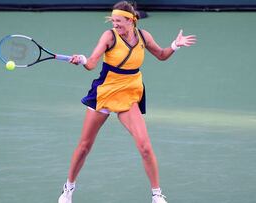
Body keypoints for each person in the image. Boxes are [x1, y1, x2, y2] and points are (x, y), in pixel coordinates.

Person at [58, 1, 196, 203]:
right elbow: (92, 63)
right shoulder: (109, 36)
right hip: (105, 91)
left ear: (131, 20)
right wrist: (82, 60)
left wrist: (175, 45)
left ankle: (157, 195)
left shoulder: (143, 36)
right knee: (85, 146)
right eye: (113, 21)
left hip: (129, 92)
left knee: (145, 147)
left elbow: (162, 55)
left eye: (119, 21)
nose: (115, 25)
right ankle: (68, 188)